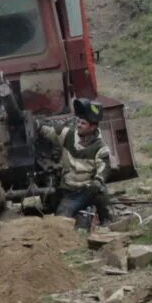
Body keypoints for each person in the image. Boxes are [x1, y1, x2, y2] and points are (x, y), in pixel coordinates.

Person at [40, 98, 114, 232]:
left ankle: (107, 221)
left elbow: (104, 167)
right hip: (70, 193)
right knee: (61, 220)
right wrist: (36, 125)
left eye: (83, 123)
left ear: (93, 127)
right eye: (78, 121)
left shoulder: (101, 147)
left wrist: (98, 180)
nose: (79, 125)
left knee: (100, 189)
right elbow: (48, 130)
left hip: (88, 190)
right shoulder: (68, 135)